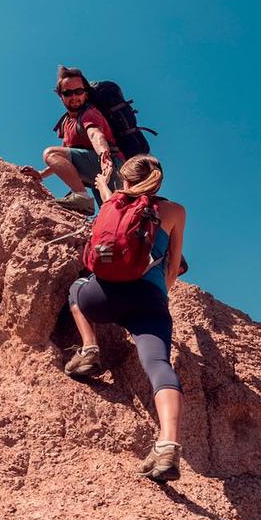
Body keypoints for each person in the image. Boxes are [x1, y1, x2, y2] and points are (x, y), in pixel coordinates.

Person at [64, 155, 185, 482]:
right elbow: (173, 267)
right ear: (157, 182)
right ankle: (168, 444)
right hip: (149, 301)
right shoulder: (175, 211)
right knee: (159, 365)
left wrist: (104, 182)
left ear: (125, 181)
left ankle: (89, 349)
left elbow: (109, 201)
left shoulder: (111, 205)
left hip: (103, 296)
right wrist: (160, 292)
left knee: (76, 288)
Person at [40, 67, 120, 216]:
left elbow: (96, 135)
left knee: (49, 153)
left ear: (86, 93)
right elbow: (64, 159)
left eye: (78, 91)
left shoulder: (89, 113)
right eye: (68, 93)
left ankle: (81, 197)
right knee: (111, 216)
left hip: (111, 166)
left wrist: (104, 156)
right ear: (60, 96)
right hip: (99, 176)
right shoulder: (66, 123)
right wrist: (40, 175)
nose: (74, 96)